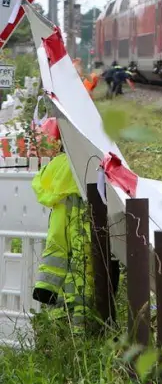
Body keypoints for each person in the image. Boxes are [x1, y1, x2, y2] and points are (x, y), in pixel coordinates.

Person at [31, 128, 90, 310]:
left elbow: (40, 183)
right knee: (80, 260)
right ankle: (78, 312)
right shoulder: (86, 164)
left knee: (56, 251)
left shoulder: (57, 165)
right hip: (82, 218)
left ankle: (48, 291)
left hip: (59, 217)